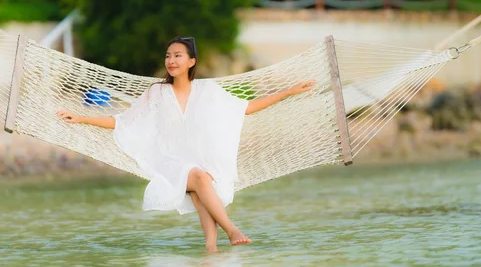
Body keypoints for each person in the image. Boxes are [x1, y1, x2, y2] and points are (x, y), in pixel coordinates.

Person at [56, 36, 315, 252]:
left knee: (199, 184)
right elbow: (123, 122)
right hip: (167, 162)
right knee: (198, 177)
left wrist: (288, 92)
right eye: (168, 55)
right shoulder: (156, 93)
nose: (171, 60)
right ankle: (232, 229)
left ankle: (211, 249)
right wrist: (81, 118)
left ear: (192, 61)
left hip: (198, 162)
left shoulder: (208, 91)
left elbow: (245, 108)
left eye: (178, 55)